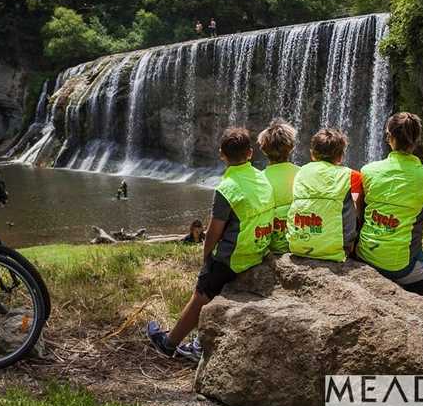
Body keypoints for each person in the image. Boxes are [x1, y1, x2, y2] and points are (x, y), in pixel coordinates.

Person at [147, 127, 274, 362]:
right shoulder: (262, 177)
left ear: (222, 155)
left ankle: (168, 343)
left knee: (201, 293)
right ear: (250, 153)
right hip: (259, 249)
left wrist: (206, 258)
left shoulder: (227, 188)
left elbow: (214, 231)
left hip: (235, 258)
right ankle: (197, 341)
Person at [356, 113, 423, 304]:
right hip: (401, 265)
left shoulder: (368, 170)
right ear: (416, 140)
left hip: (365, 255)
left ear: (389, 137)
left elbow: (360, 210)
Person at [287, 129, 357, 262]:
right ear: (341, 156)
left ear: (312, 154)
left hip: (298, 246)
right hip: (337, 250)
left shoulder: (300, 172)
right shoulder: (350, 175)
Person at [257, 119, 300, 254]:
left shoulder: (258, 179)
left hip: (267, 243)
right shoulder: (303, 174)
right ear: (291, 147)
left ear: (263, 149)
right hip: (298, 240)